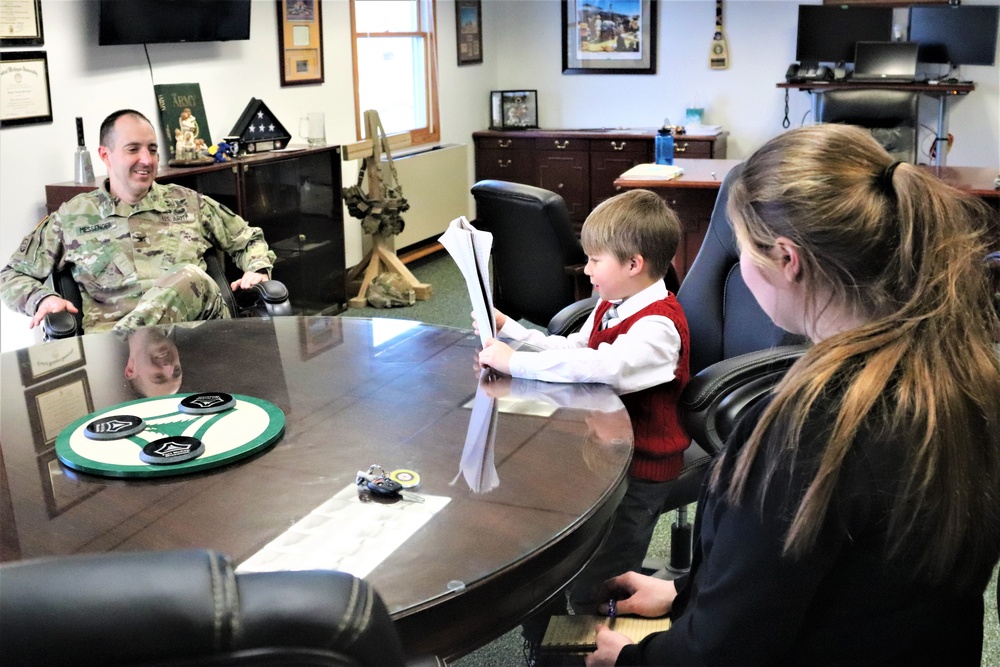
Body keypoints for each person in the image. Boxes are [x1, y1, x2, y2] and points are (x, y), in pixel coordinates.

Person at [587, 124, 1000, 666]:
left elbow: (725, 652)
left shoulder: (804, 432)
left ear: (786, 259)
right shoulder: (968, 373)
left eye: (742, 254)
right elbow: (848, 583)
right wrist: (685, 593)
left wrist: (630, 662)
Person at [477, 188, 691, 616]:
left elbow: (601, 368)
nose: (586, 268)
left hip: (643, 467)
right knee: (573, 550)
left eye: (595, 260)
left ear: (634, 265)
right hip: (606, 452)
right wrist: (513, 333)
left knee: (607, 574)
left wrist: (516, 363)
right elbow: (573, 350)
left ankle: (598, 640)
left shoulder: (659, 327)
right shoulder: (610, 304)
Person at [0, 109, 275, 334]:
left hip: (198, 342)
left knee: (191, 277)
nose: (146, 160)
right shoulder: (72, 217)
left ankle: (127, 346)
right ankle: (130, 353)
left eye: (152, 150)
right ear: (105, 155)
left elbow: (247, 238)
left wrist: (258, 268)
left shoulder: (190, 203)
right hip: (114, 359)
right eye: (133, 149)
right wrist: (43, 298)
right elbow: (10, 276)